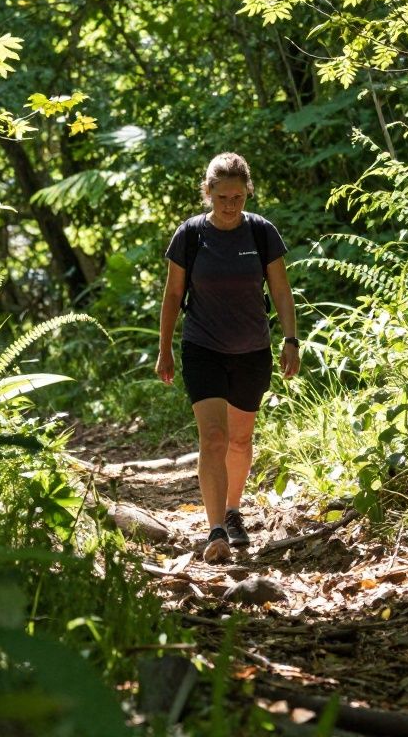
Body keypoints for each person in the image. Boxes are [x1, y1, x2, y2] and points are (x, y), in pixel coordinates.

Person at [156, 152, 301, 563]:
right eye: (222, 197)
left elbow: (281, 291)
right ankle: (216, 527)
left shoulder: (261, 233)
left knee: (239, 440)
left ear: (247, 193)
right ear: (208, 193)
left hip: (252, 350)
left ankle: (233, 511)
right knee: (214, 438)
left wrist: (291, 339)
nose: (230, 205)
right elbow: (172, 296)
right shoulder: (189, 235)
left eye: (238, 197)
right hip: (202, 347)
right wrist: (164, 348)